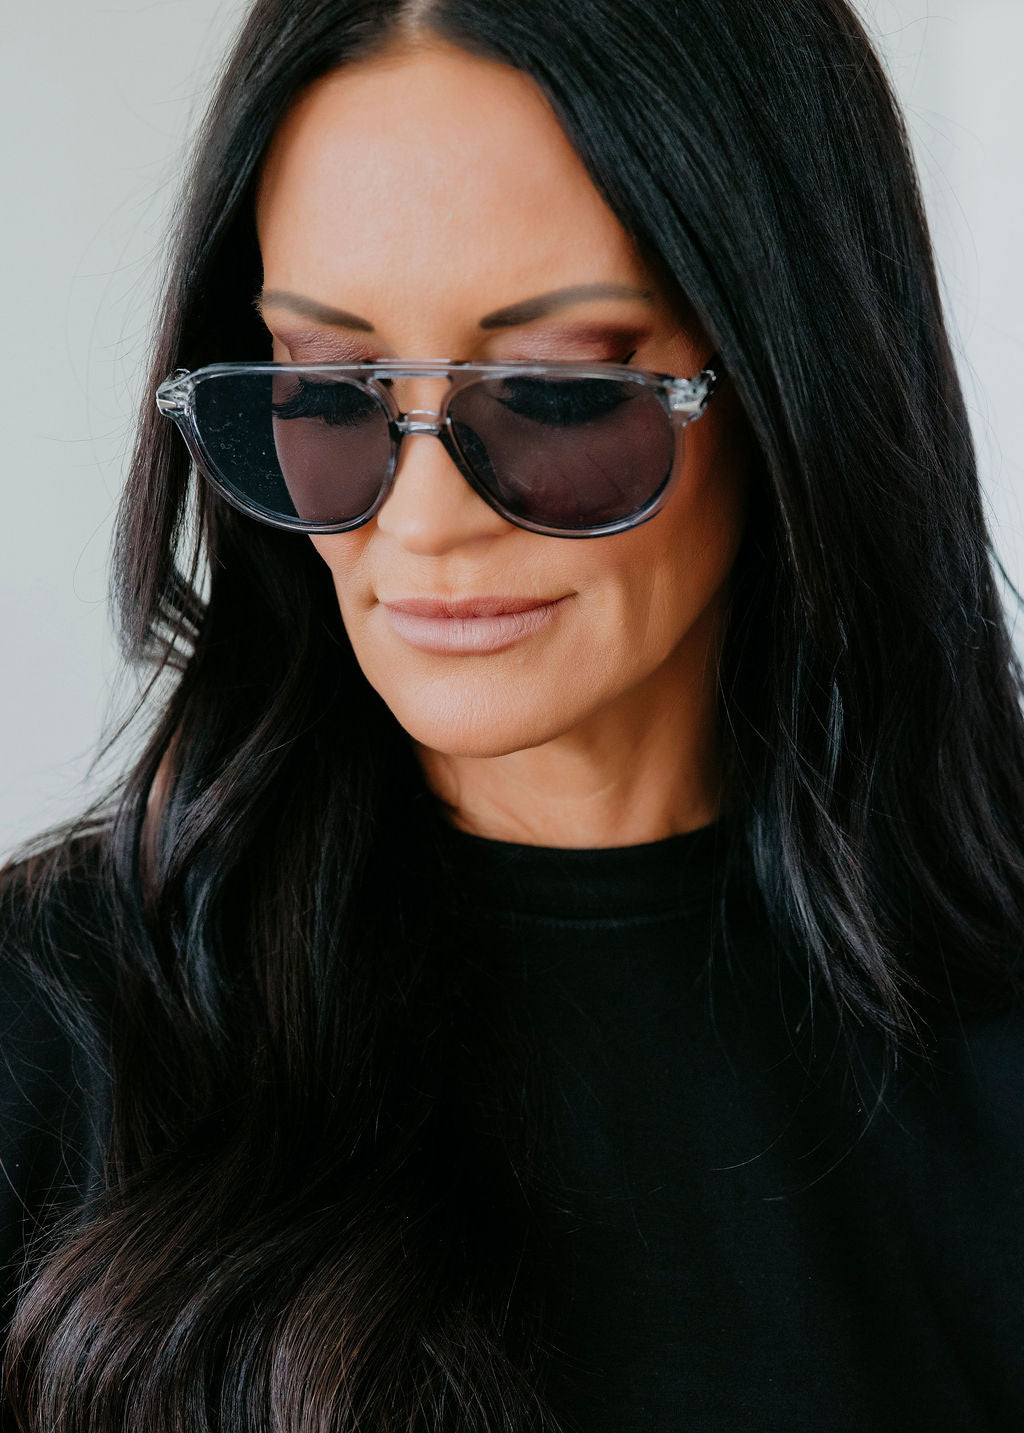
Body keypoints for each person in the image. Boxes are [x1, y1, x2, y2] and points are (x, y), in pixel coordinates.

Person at [2, 0, 1023, 1428]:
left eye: (554, 391)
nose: (422, 523)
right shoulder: (47, 1028)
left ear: (796, 378)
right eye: (326, 386)